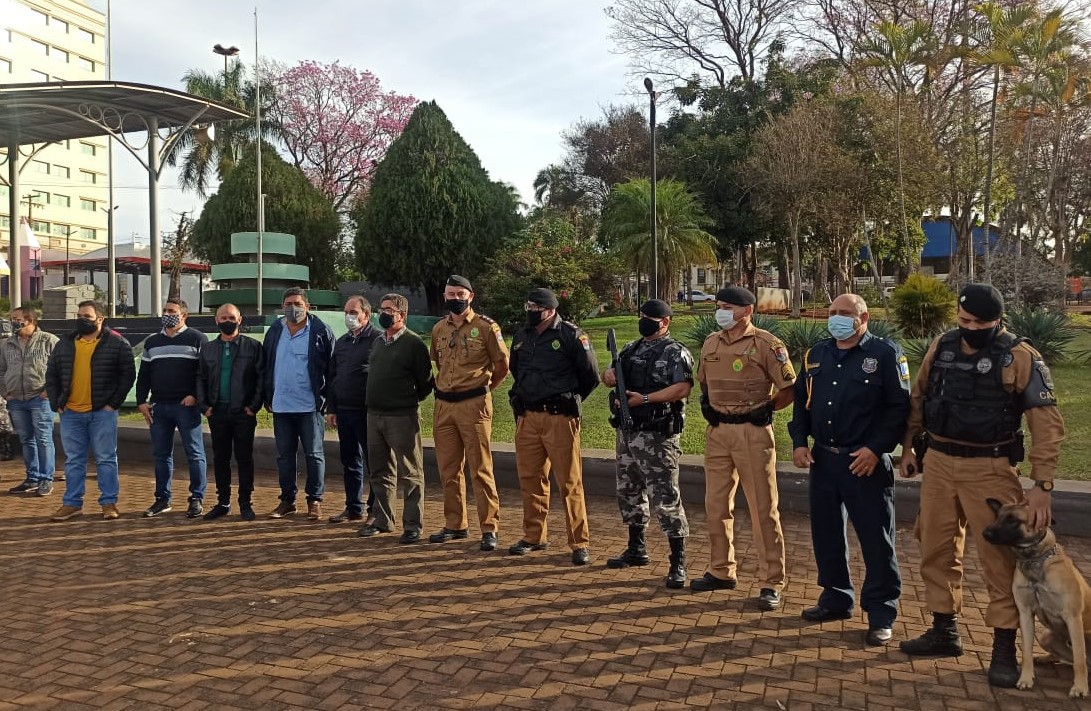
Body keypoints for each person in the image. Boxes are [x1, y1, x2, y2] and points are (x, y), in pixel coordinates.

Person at [898, 283, 1065, 687]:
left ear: (997, 320)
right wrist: (908, 448)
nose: (969, 327)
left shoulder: (1020, 356)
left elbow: (1047, 425)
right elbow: (918, 399)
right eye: (963, 319)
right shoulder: (943, 346)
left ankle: (1004, 646)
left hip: (990, 467)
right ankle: (944, 629)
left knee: (1000, 560)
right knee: (934, 546)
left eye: (979, 322)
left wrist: (1041, 484)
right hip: (937, 462)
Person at [788, 293, 909, 645]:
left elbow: (898, 407)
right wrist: (799, 442)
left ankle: (881, 612)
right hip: (824, 460)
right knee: (826, 535)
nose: (837, 318)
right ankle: (836, 598)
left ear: (864, 316)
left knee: (876, 540)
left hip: (865, 463)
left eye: (845, 313)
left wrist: (876, 449)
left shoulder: (885, 354)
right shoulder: (817, 353)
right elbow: (801, 402)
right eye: (832, 313)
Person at [694, 285, 795, 611]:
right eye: (719, 305)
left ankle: (771, 582)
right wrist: (706, 403)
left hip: (752, 433)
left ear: (747, 311)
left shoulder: (766, 344)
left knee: (763, 509)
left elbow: (789, 388)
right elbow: (704, 382)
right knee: (716, 505)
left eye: (727, 306)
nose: (720, 311)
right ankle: (721, 570)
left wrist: (768, 408)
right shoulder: (711, 342)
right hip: (719, 432)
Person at [602, 299, 693, 588]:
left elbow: (682, 388)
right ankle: (636, 548)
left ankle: (678, 562)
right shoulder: (630, 349)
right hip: (628, 432)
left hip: (658, 435)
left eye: (650, 317)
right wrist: (611, 377)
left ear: (665, 321)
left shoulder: (676, 352)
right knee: (629, 490)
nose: (644, 321)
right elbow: (607, 376)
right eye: (642, 316)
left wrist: (644, 399)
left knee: (665, 495)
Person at [508, 287, 599, 566]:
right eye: (528, 306)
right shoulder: (522, 336)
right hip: (528, 417)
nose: (531, 311)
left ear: (551, 310)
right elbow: (516, 369)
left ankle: (579, 543)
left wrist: (567, 400)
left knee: (569, 482)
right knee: (530, 480)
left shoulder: (571, 335)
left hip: (560, 418)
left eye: (536, 308)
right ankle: (534, 536)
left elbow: (590, 376)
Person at [428, 275, 509, 551]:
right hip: (444, 406)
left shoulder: (486, 327)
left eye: (460, 294)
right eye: (450, 294)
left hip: (474, 405)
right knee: (448, 470)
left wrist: (485, 389)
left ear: (470, 296)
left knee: (480, 468)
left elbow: (502, 365)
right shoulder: (439, 328)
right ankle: (455, 524)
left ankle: (489, 528)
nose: (455, 299)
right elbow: (438, 361)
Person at [45, 300, 136, 521]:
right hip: (71, 413)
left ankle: (108, 503)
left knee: (106, 458)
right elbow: (52, 374)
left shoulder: (117, 343)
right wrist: (56, 402)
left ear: (100, 319)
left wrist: (112, 404)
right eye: (79, 315)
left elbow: (127, 376)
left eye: (87, 316)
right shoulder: (65, 343)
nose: (81, 320)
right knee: (74, 460)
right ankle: (72, 503)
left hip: (102, 412)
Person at [357, 293, 434, 543]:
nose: (384, 313)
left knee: (410, 472)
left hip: (402, 416)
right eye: (382, 308)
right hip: (374, 415)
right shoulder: (380, 342)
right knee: (380, 471)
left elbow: (425, 383)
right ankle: (382, 519)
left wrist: (405, 400)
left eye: (389, 309)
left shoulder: (413, 344)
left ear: (402, 315)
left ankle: (412, 524)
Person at [263, 287, 335, 520]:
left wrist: (328, 402)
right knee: (284, 455)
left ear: (308, 306)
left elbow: (332, 370)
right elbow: (266, 365)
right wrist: (267, 396)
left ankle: (314, 500)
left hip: (309, 406)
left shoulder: (321, 331)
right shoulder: (275, 330)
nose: (292, 308)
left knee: (314, 455)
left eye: (297, 303)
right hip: (281, 406)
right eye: (287, 304)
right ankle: (287, 500)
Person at [136, 298, 209, 518]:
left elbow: (204, 373)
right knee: (160, 454)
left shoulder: (197, 339)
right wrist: (141, 401)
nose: (167, 314)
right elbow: (144, 374)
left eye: (172, 311)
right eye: (165, 310)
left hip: (186, 407)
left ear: (183, 316)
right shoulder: (152, 342)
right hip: (159, 407)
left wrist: (195, 396)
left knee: (194, 453)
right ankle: (162, 498)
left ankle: (196, 498)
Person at [196, 303, 264, 521]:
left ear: (240, 319)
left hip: (243, 412)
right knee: (221, 458)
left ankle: (245, 502)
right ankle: (223, 502)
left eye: (231, 317)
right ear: (216, 321)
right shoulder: (207, 348)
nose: (227, 321)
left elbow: (261, 378)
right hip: (217, 412)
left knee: (244, 458)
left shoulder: (252, 347)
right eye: (223, 318)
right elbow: (200, 378)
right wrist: (204, 407)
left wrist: (253, 407)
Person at [326, 295, 380, 524]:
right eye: (346, 311)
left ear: (366, 315)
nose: (349, 316)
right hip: (344, 410)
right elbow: (333, 376)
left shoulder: (377, 339)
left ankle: (375, 510)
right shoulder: (342, 342)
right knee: (350, 461)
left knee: (374, 462)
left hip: (367, 411)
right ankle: (353, 507)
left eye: (354, 312)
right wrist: (332, 408)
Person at [1, 306, 59, 495]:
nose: (14, 322)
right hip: (16, 399)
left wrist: (49, 390)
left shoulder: (49, 341)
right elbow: (1, 370)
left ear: (31, 320)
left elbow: (61, 368)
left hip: (40, 398)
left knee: (43, 439)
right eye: (12, 318)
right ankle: (32, 478)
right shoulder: (7, 344)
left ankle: (46, 479)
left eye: (17, 319)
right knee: (27, 439)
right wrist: (6, 393)